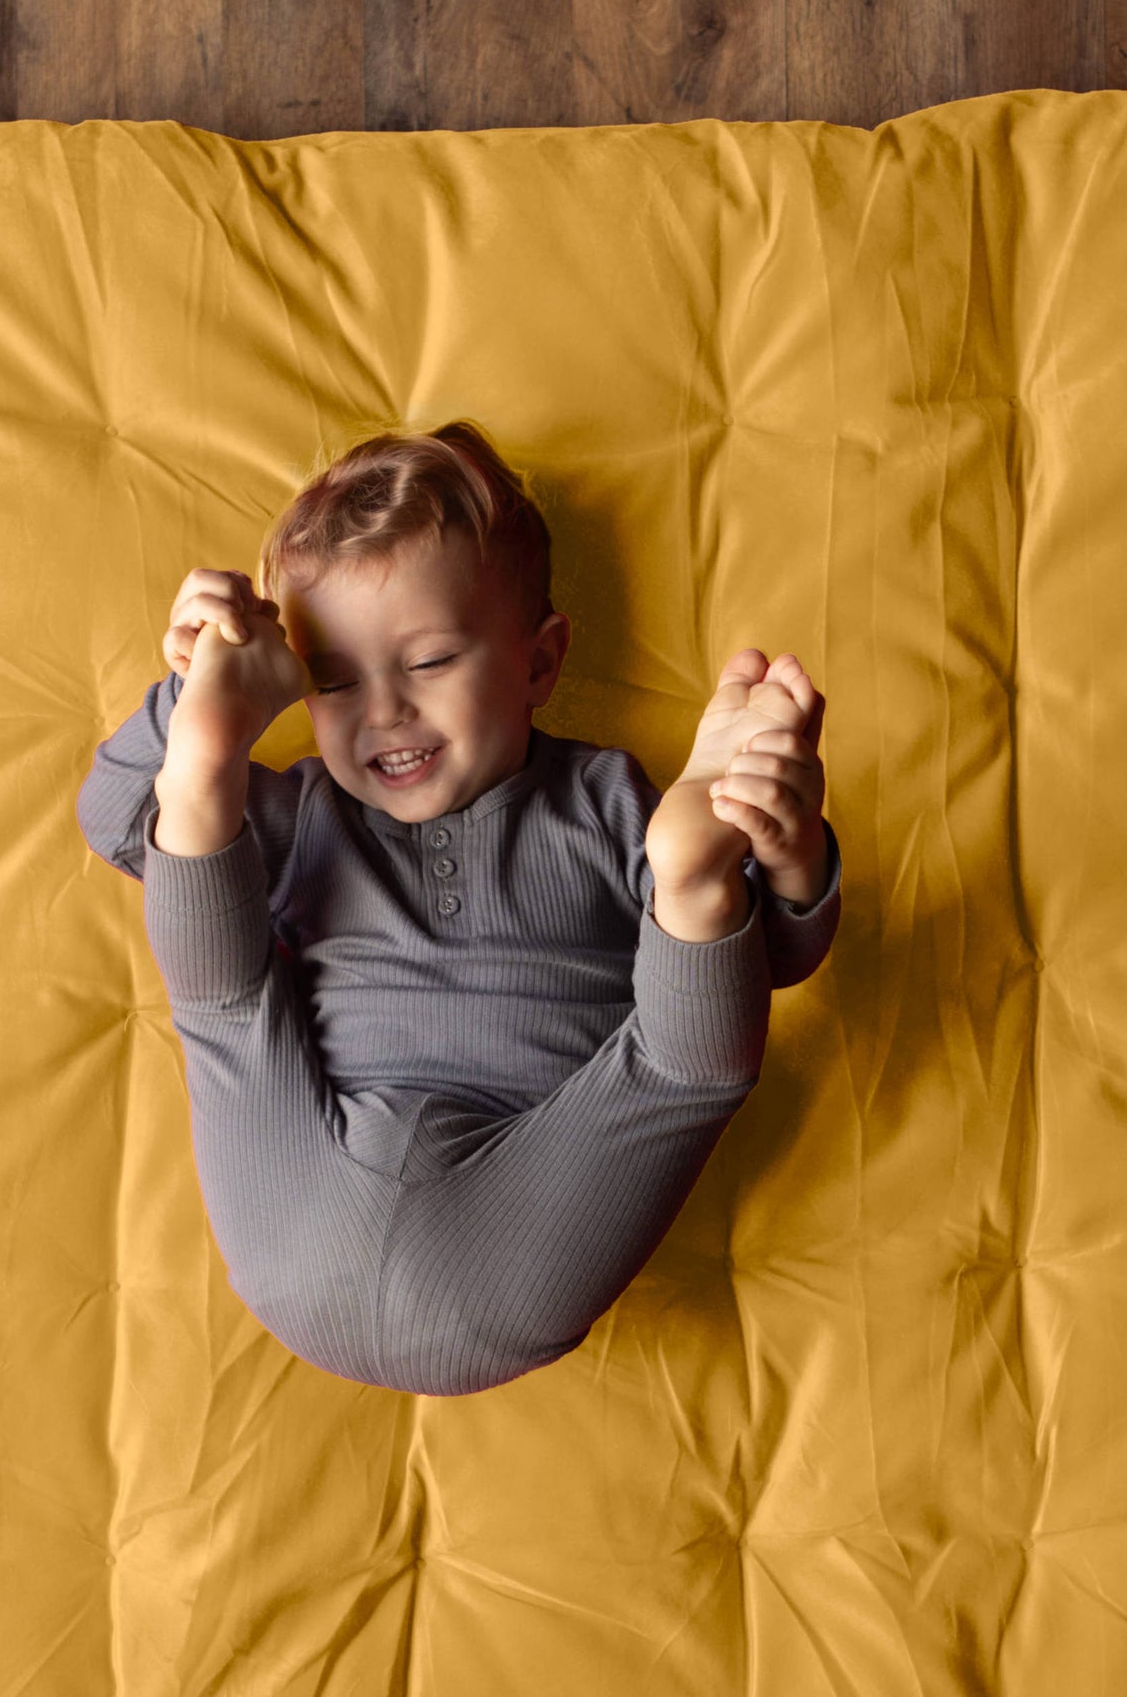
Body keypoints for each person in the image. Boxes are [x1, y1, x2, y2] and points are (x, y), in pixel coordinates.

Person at [74, 421, 841, 1395]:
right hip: (299, 1186)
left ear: (537, 662)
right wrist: (189, 692)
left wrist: (782, 847)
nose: (383, 710)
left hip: (528, 1199)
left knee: (692, 1057)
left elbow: (764, 957)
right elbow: (112, 820)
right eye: (335, 679)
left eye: (429, 661)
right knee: (220, 982)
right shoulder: (303, 807)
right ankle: (203, 757)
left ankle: (696, 870)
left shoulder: (605, 801)